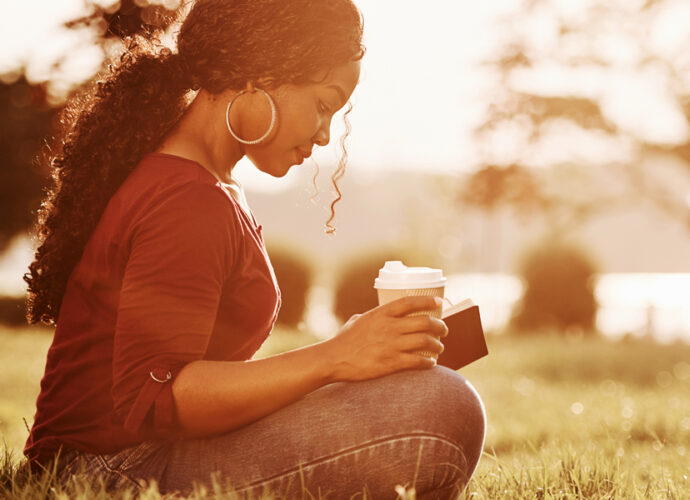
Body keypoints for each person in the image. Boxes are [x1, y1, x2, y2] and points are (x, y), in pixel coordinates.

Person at [22, 0, 486, 497]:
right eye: (324, 104)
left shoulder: (205, 184)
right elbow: (154, 397)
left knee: (416, 393)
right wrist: (335, 357)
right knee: (441, 406)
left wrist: (353, 364)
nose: (326, 135)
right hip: (107, 474)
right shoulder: (186, 199)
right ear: (258, 76)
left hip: (139, 455)